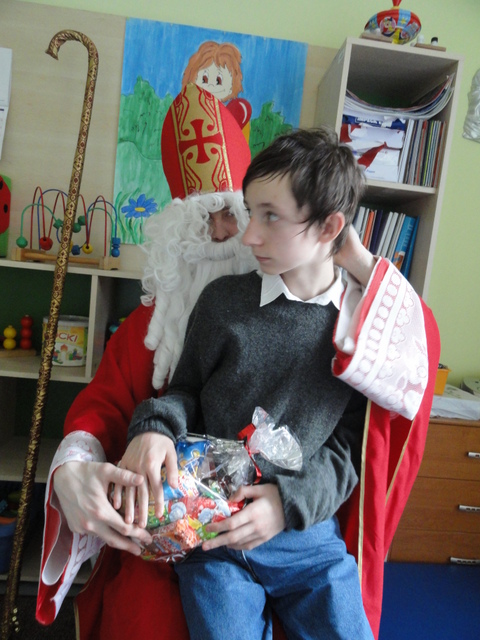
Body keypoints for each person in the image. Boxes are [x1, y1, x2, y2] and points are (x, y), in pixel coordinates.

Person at [37, 101, 440, 637]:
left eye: (254, 215)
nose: (239, 235)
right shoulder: (216, 303)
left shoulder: (357, 329)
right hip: (211, 532)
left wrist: (289, 505)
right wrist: (152, 429)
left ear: (328, 228)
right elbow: (180, 391)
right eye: (227, 216)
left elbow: (351, 444)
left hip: (304, 539)